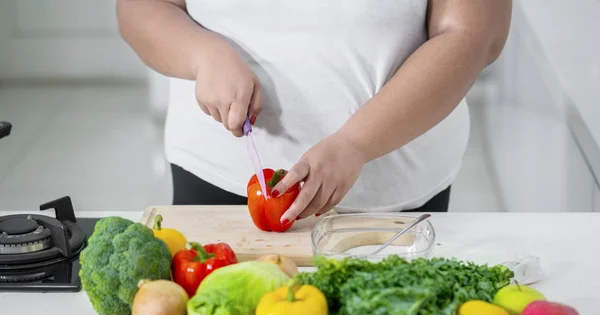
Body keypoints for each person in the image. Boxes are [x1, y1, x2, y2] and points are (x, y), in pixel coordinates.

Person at [117, 0, 511, 223]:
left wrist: (357, 143)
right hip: (217, 175)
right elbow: (142, 8)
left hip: (390, 192)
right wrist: (200, 53)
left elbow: (473, 35)